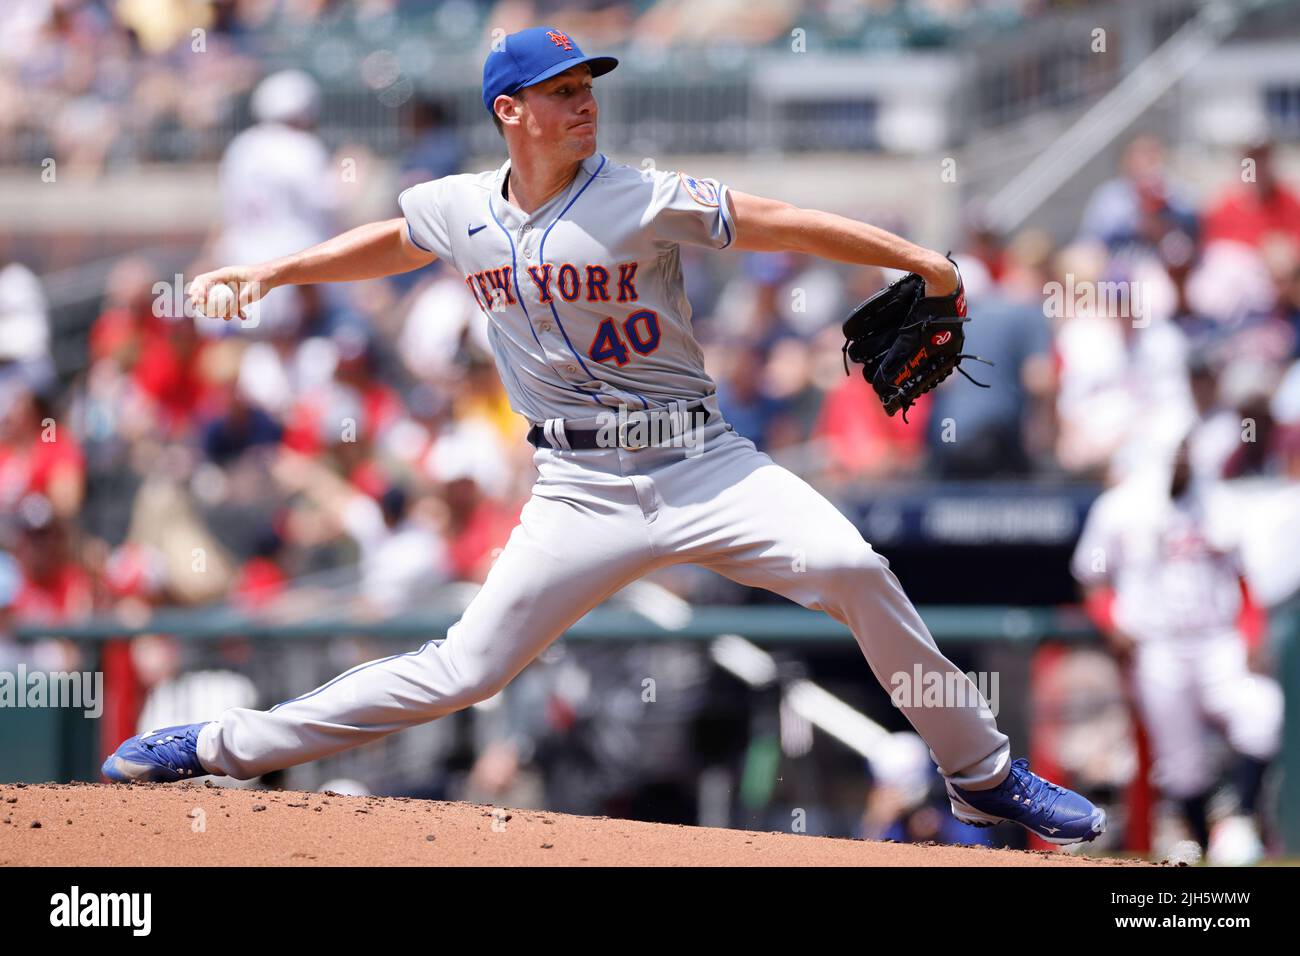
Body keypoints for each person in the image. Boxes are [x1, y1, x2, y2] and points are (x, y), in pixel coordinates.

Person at [102, 26, 1106, 846]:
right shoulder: (457, 207)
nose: (583, 100)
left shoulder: (640, 193)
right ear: (510, 112)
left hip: (703, 462)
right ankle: (219, 742)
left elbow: (783, 219)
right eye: (559, 89)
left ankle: (982, 774)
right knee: (464, 668)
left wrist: (918, 258)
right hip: (577, 487)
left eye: (588, 84)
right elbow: (386, 241)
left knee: (849, 562)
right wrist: (273, 273)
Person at [1071, 439, 1282, 864]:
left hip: (1218, 641)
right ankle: (1208, 843)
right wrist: (1111, 623)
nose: (1183, 457)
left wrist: (1252, 632)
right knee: (1182, 765)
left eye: (1188, 447)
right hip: (1157, 645)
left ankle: (1239, 820)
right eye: (1174, 449)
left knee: (1264, 712)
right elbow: (1090, 576)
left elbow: (1246, 579)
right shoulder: (1121, 505)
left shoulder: (1222, 502)